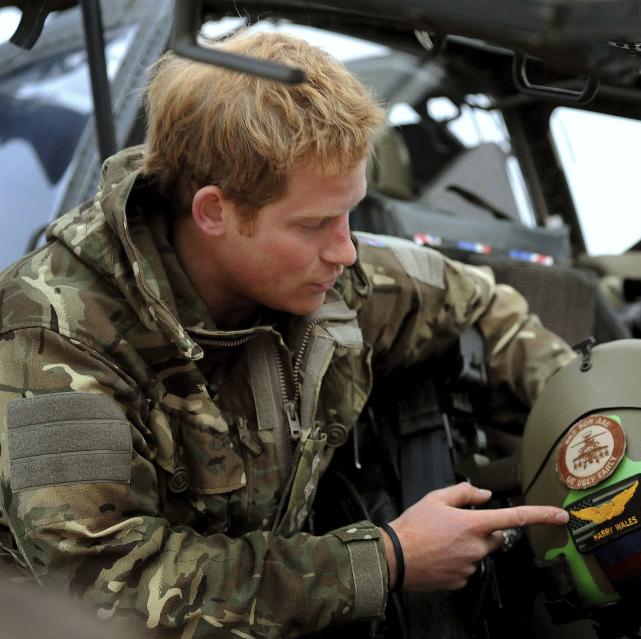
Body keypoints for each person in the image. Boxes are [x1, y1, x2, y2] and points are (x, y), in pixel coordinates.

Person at [0, 31, 574, 637]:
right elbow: (109, 587)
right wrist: (387, 559)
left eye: (350, 211)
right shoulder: (55, 337)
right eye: (316, 222)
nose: (347, 250)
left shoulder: (330, 282)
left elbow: (481, 303)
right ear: (214, 212)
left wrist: (591, 430)